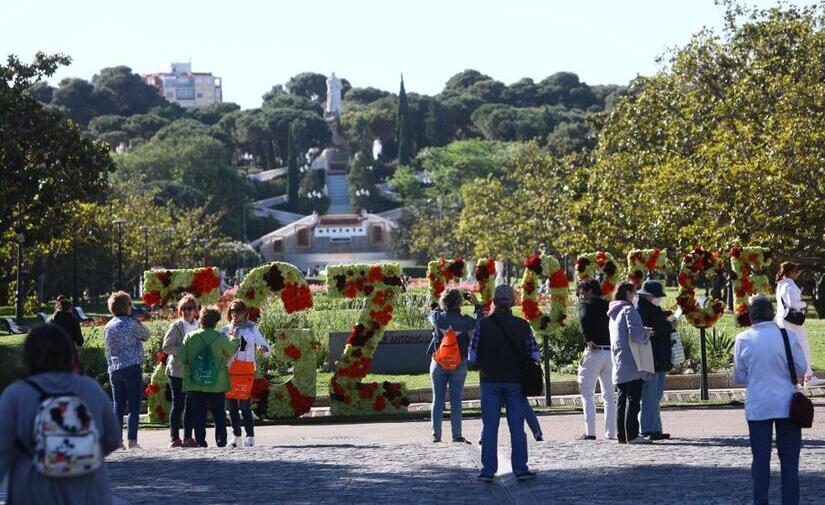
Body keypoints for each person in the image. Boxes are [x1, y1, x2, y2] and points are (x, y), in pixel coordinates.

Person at [0, 324, 122, 504]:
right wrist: (78, 453)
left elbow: (2, 450)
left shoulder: (16, 395)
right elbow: (113, 438)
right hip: (88, 488)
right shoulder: (90, 388)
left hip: (34, 489)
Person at [734, 295, 807, 505]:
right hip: (787, 404)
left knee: (760, 461)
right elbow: (801, 368)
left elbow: (739, 376)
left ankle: (761, 501)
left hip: (758, 404)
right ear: (772, 314)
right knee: (790, 463)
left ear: (750, 316)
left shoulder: (743, 339)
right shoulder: (788, 336)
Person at [469, 284, 538, 482]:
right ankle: (521, 469)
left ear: (493, 302)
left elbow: (472, 356)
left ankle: (488, 470)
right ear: (513, 303)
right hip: (515, 381)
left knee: (490, 427)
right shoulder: (522, 325)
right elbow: (534, 353)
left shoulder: (482, 325)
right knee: (517, 427)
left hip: (490, 380)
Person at [427, 289, 483, 443]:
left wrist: (440, 304)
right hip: (459, 363)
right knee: (456, 400)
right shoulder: (465, 321)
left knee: (437, 399)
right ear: (460, 302)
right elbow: (480, 323)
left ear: (443, 301)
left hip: (438, 362)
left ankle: (436, 434)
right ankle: (456, 434)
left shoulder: (437, 317)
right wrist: (477, 306)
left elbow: (432, 313)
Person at [180, 306, 237, 448]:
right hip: (217, 382)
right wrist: (234, 337)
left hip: (196, 382)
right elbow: (231, 349)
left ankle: (200, 441)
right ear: (216, 321)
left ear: (201, 319)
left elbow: (181, 357)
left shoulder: (190, 336)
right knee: (219, 414)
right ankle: (221, 441)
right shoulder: (221, 337)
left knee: (199, 414)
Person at [103, 291, 150, 449]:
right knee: (134, 404)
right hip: (131, 367)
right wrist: (140, 324)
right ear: (126, 306)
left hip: (115, 369)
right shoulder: (131, 323)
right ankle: (132, 440)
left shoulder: (108, 326)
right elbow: (146, 335)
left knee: (118, 405)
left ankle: (117, 440)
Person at [608, 282, 653, 445]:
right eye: (634, 293)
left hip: (619, 359)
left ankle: (622, 435)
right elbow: (636, 335)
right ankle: (632, 434)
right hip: (633, 360)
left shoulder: (613, 312)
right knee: (634, 399)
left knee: (621, 399)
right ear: (628, 293)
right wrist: (646, 333)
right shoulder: (628, 310)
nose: (635, 296)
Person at [220, 300, 269, 448]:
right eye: (233, 311)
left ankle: (250, 436)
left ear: (245, 313)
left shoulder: (252, 329)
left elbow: (265, 346)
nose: (235, 314)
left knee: (245, 405)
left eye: (238, 311)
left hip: (245, 371)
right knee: (231, 406)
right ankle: (236, 437)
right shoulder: (224, 330)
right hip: (229, 371)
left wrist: (263, 349)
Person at [576, 279, 617, 441]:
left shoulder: (585, 305)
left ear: (590, 291)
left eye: (582, 291)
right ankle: (611, 433)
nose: (581, 295)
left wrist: (588, 339)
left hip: (594, 351)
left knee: (587, 393)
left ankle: (590, 432)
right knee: (609, 395)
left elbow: (584, 320)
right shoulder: (608, 305)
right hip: (610, 351)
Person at [636, 279, 674, 440]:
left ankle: (655, 427)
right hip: (652, 356)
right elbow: (655, 329)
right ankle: (648, 428)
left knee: (656, 395)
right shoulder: (643, 309)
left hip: (658, 356)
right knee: (650, 395)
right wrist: (669, 325)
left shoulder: (651, 308)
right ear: (649, 295)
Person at [775, 261, 823, 387]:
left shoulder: (780, 285)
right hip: (792, 321)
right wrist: (804, 304)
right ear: (790, 272)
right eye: (796, 271)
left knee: (788, 350)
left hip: (782, 320)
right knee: (803, 348)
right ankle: (808, 377)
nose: (797, 274)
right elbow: (793, 304)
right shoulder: (790, 285)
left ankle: (790, 379)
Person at [162, 294, 199, 448]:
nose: (185, 311)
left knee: (190, 405)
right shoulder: (176, 326)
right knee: (178, 405)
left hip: (193, 372)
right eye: (183, 308)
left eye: (189, 308)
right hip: (177, 371)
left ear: (195, 310)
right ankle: (174, 438)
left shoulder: (199, 326)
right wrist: (185, 350)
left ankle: (188, 437)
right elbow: (166, 347)